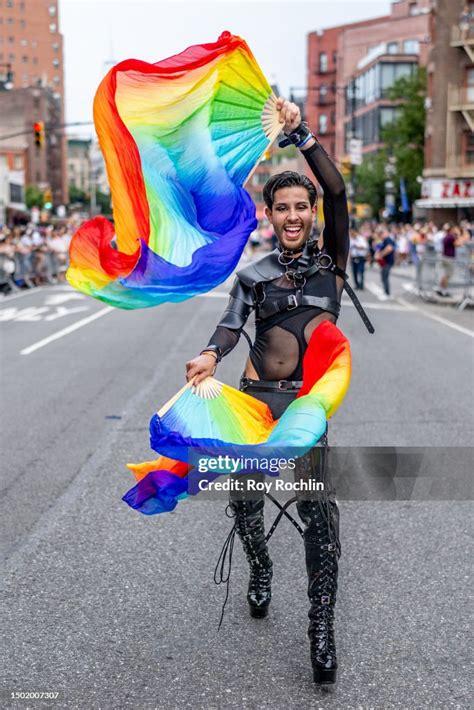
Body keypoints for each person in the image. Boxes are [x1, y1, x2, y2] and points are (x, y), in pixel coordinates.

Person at [185, 98, 373, 686]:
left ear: (312, 214)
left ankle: (321, 624)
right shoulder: (254, 275)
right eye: (282, 208)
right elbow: (230, 322)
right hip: (254, 401)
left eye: (301, 207)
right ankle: (260, 565)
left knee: (320, 515)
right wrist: (210, 354)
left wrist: (302, 135)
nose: (293, 216)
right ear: (270, 214)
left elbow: (339, 190)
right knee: (244, 503)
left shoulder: (332, 267)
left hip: (307, 407)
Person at [375, 227, 396, 297]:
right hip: (386, 262)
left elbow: (389, 248)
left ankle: (387, 293)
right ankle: (386, 292)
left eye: (380, 234)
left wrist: (381, 254)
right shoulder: (385, 240)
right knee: (384, 277)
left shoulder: (387, 239)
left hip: (388, 262)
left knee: (384, 277)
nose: (380, 236)